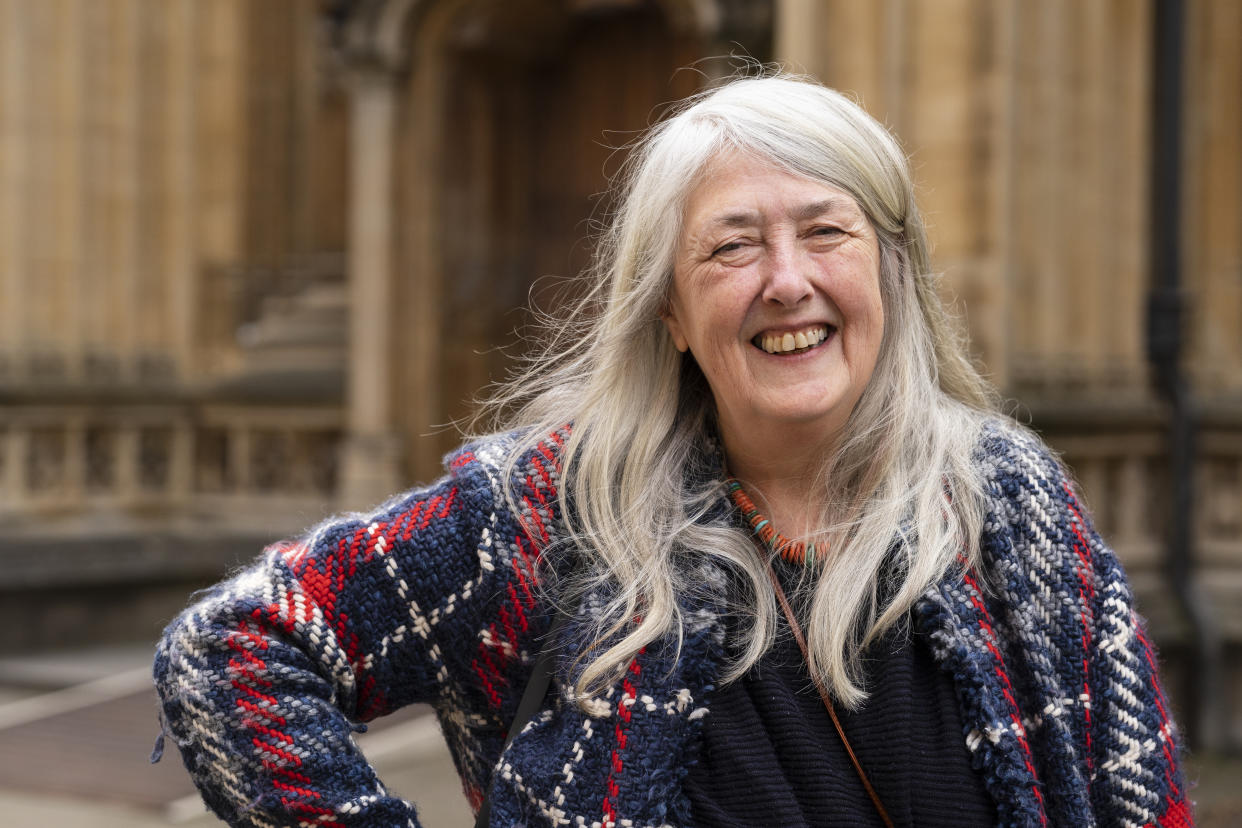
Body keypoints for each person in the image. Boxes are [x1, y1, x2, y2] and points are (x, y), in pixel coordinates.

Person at [153, 74, 1191, 828]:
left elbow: (1143, 797)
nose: (786, 280)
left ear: (892, 273)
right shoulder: (549, 513)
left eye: (825, 231)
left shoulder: (1009, 503)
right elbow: (232, 647)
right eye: (732, 246)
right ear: (673, 315)